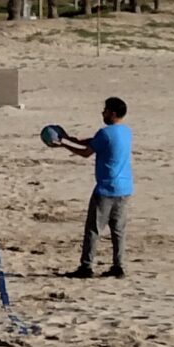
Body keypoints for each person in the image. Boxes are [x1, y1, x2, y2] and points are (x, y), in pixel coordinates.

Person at [57, 96, 133, 278]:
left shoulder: (105, 133)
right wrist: (70, 138)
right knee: (118, 230)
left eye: (105, 110)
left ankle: (86, 267)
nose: (103, 113)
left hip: (106, 189)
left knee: (93, 229)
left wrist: (63, 144)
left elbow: (86, 153)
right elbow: (94, 142)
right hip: (125, 188)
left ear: (113, 113)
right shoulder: (126, 131)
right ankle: (118, 266)